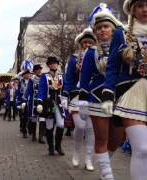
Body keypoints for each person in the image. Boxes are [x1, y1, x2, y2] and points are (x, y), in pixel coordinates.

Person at [101, 0, 147, 179]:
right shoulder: (121, 34)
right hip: (130, 94)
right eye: (140, 5)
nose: (145, 9)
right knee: (142, 149)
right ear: (132, 9)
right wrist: (107, 93)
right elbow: (112, 66)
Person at [79, 4, 123, 179]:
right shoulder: (90, 52)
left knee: (118, 139)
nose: (102, 30)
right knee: (102, 139)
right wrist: (82, 100)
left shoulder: (122, 47)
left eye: (106, 27)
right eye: (99, 28)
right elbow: (84, 77)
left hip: (119, 97)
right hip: (97, 98)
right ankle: (106, 174)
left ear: (113, 28)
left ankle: (105, 164)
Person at [62, 27, 96, 170]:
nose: (87, 45)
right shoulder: (74, 58)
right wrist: (64, 95)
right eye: (85, 43)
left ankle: (88, 159)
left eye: (90, 42)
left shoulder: (97, 56)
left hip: (92, 95)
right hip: (76, 95)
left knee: (90, 129)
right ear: (81, 44)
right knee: (80, 126)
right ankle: (76, 153)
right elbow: (69, 79)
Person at [37, 56, 65, 156]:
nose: (54, 64)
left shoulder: (61, 76)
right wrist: (40, 102)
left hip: (59, 104)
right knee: (49, 126)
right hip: (49, 104)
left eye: (55, 63)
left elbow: (65, 89)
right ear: (49, 65)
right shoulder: (44, 76)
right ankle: (51, 147)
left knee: (61, 124)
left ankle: (58, 146)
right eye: (51, 63)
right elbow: (41, 90)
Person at [23, 64, 45, 143]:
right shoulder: (31, 79)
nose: (39, 71)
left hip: (42, 100)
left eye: (40, 69)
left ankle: (41, 137)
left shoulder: (44, 78)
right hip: (33, 101)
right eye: (38, 69)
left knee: (42, 118)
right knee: (34, 118)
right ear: (35, 71)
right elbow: (28, 89)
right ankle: (33, 135)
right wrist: (24, 99)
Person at [18, 60, 34, 138]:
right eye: (26, 74)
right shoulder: (21, 82)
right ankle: (24, 131)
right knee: (23, 116)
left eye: (29, 74)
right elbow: (18, 92)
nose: (28, 75)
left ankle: (30, 128)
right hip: (23, 101)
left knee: (30, 116)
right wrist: (19, 102)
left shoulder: (32, 81)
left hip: (31, 100)